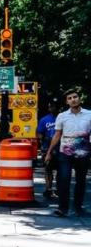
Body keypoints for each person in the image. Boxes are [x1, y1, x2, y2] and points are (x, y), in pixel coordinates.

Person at [45, 89, 91, 217]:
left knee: (81, 181)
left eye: (75, 97)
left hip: (83, 153)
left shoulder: (89, 114)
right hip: (65, 153)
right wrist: (49, 152)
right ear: (67, 102)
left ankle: (78, 207)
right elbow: (57, 134)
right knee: (64, 179)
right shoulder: (62, 116)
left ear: (79, 98)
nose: (73, 100)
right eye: (70, 98)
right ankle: (62, 208)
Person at [37, 101, 60, 199]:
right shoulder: (44, 120)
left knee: (61, 170)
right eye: (51, 106)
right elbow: (39, 132)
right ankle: (48, 189)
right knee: (48, 169)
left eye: (54, 106)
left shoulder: (62, 117)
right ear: (49, 108)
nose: (52, 108)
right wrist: (43, 139)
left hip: (61, 148)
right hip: (47, 148)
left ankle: (59, 189)